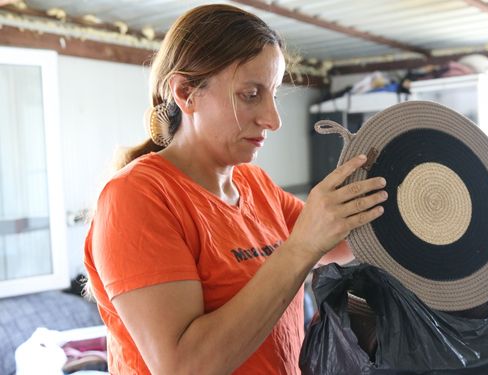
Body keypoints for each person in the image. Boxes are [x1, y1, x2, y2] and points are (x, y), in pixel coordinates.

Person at [84, 4, 387, 375]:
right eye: (250, 94)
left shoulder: (255, 185)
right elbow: (184, 366)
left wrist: (410, 203)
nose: (273, 120)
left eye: (273, 94)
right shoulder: (137, 197)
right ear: (186, 92)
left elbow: (346, 238)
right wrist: (300, 249)